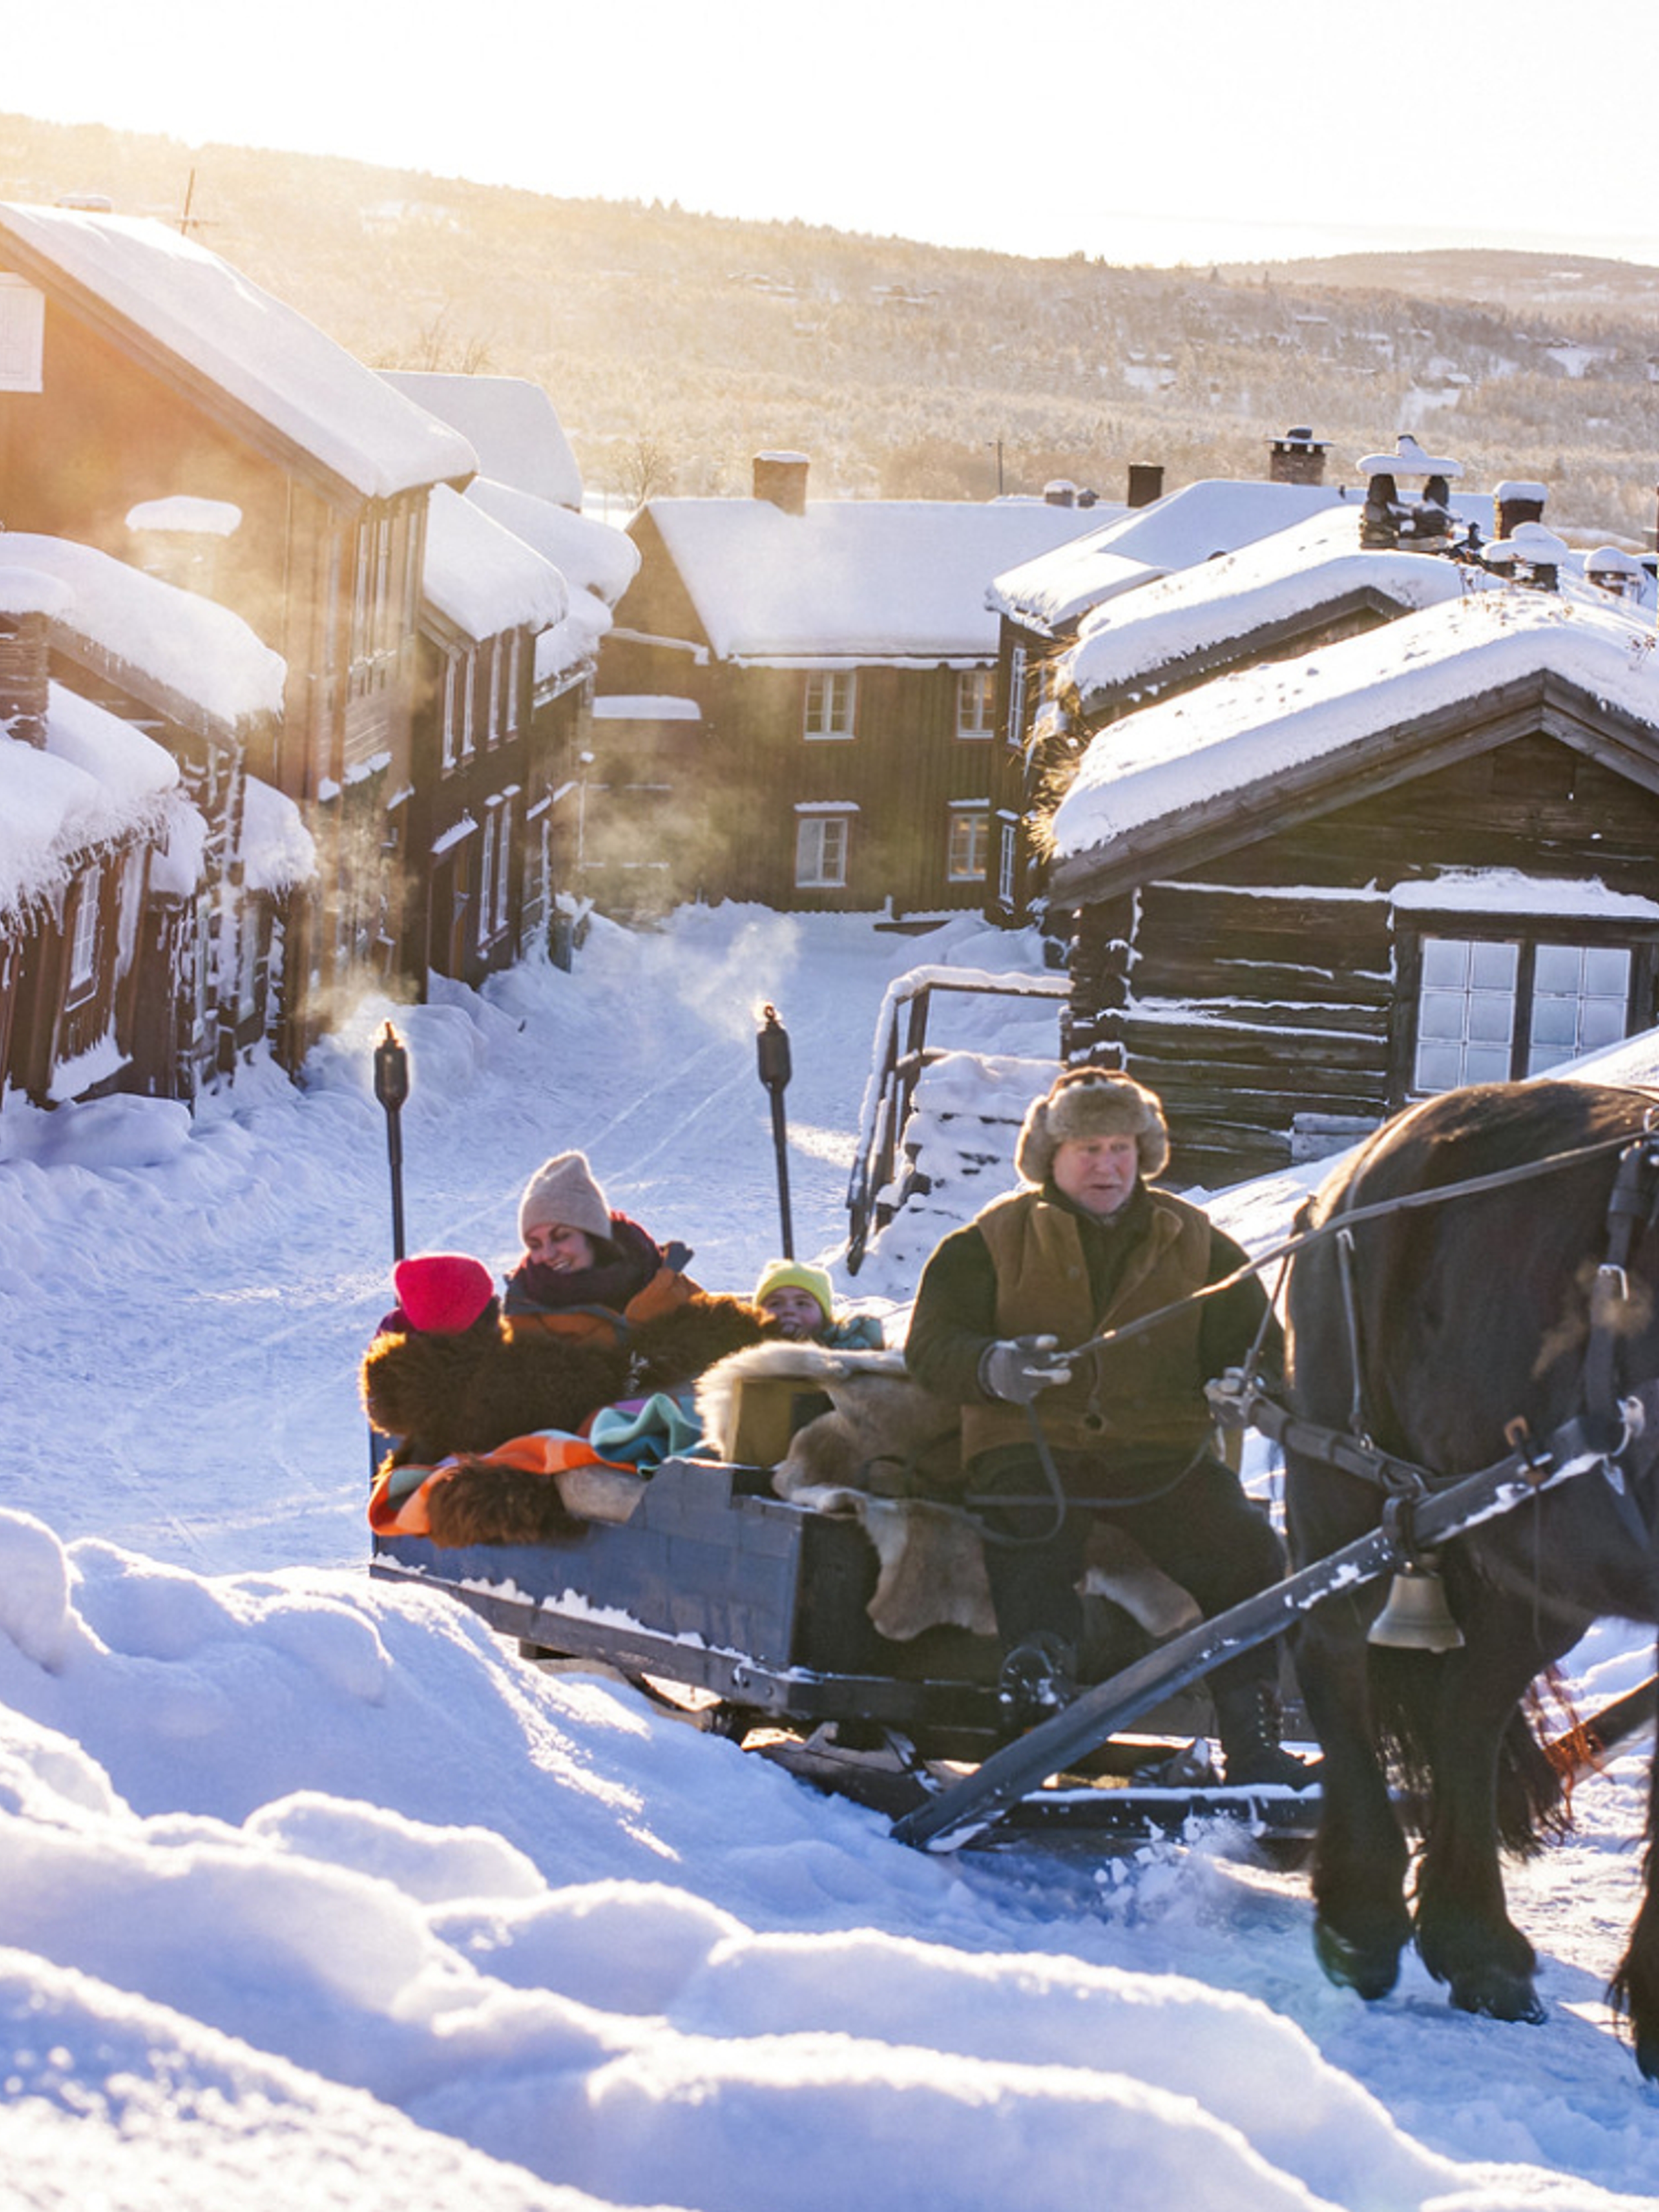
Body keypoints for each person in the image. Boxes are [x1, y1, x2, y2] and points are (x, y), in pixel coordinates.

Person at [903, 1065, 1312, 1786]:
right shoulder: (989, 1241)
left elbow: (1256, 1346)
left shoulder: (1200, 1243)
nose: (1108, 1164)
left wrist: (1240, 1384)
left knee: (1248, 1550)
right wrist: (992, 1367)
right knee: (1032, 1538)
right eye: (1088, 1149)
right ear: (1048, 1159)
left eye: (1121, 1146)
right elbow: (932, 1346)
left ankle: (1251, 1743)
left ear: (1144, 1153)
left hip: (1163, 1458)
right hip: (1027, 1448)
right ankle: (1034, 1723)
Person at [503, 1150, 699, 1346]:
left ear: (593, 1233)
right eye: (535, 1245)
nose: (548, 1254)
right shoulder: (526, 1311)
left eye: (562, 1237)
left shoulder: (663, 1280)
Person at [752, 1258, 884, 1350]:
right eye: (776, 1304)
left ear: (824, 1314)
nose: (789, 1311)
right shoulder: (746, 1353)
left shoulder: (852, 1347)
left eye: (802, 1303)